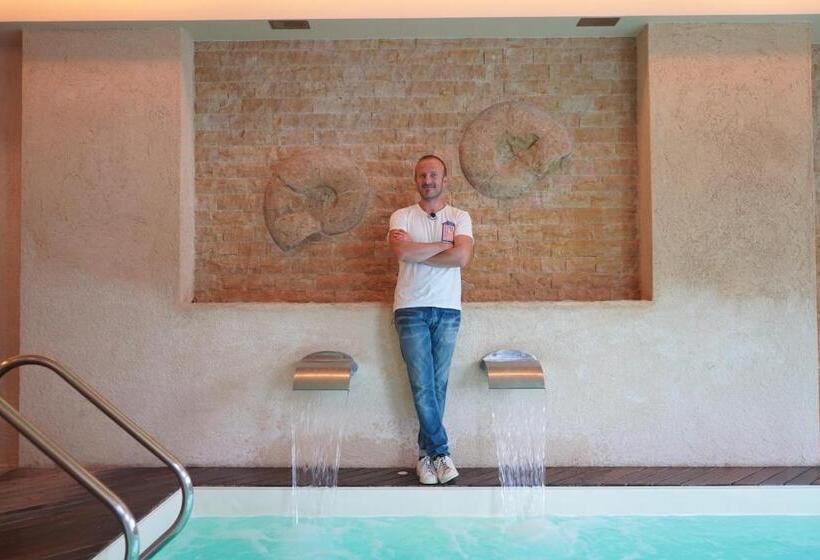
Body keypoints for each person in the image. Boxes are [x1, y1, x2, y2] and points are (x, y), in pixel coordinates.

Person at [388, 154, 474, 485]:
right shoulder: (401, 216)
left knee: (437, 386)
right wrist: (441, 245)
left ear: (445, 180)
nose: (428, 181)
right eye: (422, 175)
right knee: (422, 385)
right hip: (410, 308)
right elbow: (401, 252)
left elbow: (461, 256)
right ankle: (440, 453)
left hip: (448, 309)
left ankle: (425, 457)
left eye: (434, 175)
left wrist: (419, 251)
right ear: (416, 180)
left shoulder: (460, 217)